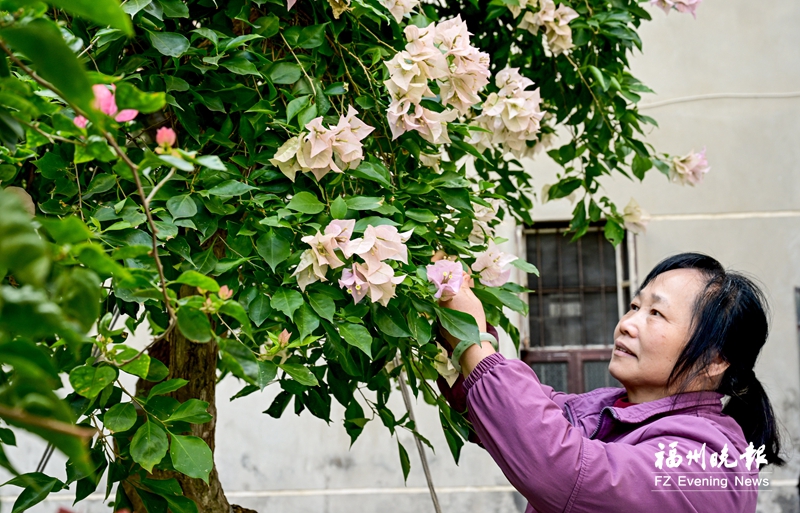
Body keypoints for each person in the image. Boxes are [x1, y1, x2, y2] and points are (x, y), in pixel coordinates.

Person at [436, 252, 784, 513]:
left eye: (656, 313)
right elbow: (521, 418)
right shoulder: (604, 410)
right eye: (634, 306)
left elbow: (563, 470)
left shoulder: (707, 463)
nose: (628, 324)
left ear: (715, 359)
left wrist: (475, 340)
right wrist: (451, 323)